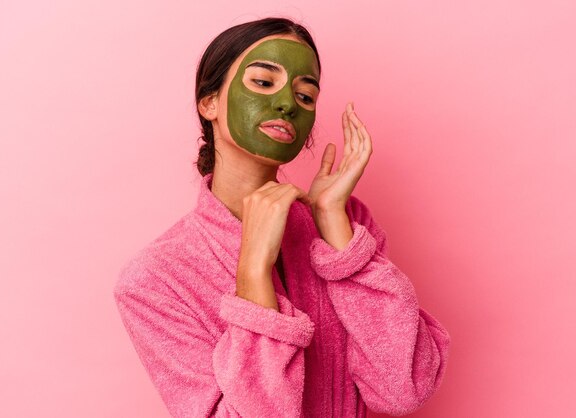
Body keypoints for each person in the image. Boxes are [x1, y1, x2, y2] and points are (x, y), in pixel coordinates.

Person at [113, 17, 451, 418]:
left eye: (306, 96)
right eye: (262, 82)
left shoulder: (345, 225)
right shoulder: (154, 280)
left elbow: (403, 390)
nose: (289, 104)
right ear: (210, 103)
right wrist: (253, 274)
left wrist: (337, 234)